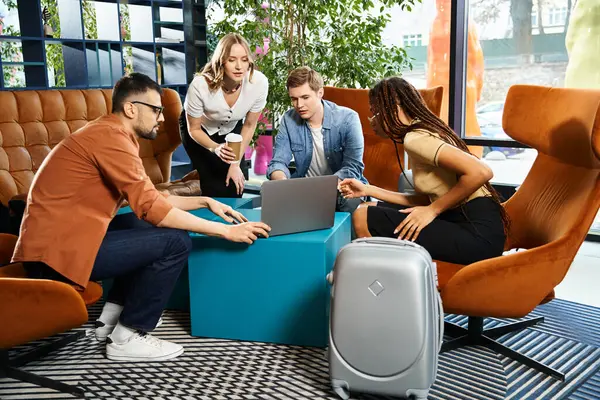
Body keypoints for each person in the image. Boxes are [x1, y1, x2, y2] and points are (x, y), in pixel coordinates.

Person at [11, 73, 270, 362]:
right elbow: (154, 209)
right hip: (52, 259)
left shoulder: (112, 134)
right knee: (175, 241)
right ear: (131, 108)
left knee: (138, 223)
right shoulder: (110, 139)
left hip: (60, 246)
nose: (161, 118)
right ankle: (129, 336)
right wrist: (224, 232)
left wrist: (205, 201)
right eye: (155, 110)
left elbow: (146, 199)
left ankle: (109, 320)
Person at [339, 77, 509, 265]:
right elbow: (424, 201)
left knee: (362, 216)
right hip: (464, 219)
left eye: (375, 111)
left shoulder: (415, 139)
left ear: (393, 107)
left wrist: (432, 211)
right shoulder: (420, 130)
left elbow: (481, 172)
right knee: (368, 207)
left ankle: (381, 281)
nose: (372, 120)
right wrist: (368, 190)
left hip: (477, 234)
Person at [179, 33, 269, 198]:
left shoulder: (259, 83)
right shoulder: (200, 86)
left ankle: (235, 223)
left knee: (234, 183)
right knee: (213, 183)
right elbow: (194, 128)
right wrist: (215, 148)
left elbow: (249, 125)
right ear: (221, 61)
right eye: (232, 60)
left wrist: (235, 163)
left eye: (244, 59)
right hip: (199, 129)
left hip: (231, 128)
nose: (239, 66)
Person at [266, 66, 367, 213]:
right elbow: (278, 162)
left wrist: (318, 190)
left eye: (305, 97)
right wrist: (282, 185)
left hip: (341, 188)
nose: (299, 105)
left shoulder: (348, 119)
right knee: (268, 196)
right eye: (294, 99)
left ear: (320, 93)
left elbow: (353, 168)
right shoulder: (289, 119)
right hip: (303, 190)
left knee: (352, 203)